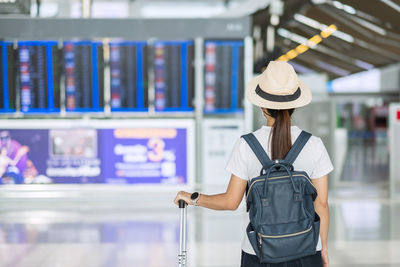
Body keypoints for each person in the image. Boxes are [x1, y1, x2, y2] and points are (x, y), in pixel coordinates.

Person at [174, 61, 333, 267]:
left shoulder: (246, 145)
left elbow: (231, 202)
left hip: (259, 252)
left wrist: (194, 198)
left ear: (262, 106)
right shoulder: (314, 144)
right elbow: (320, 204)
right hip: (306, 250)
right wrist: (324, 248)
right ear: (294, 104)